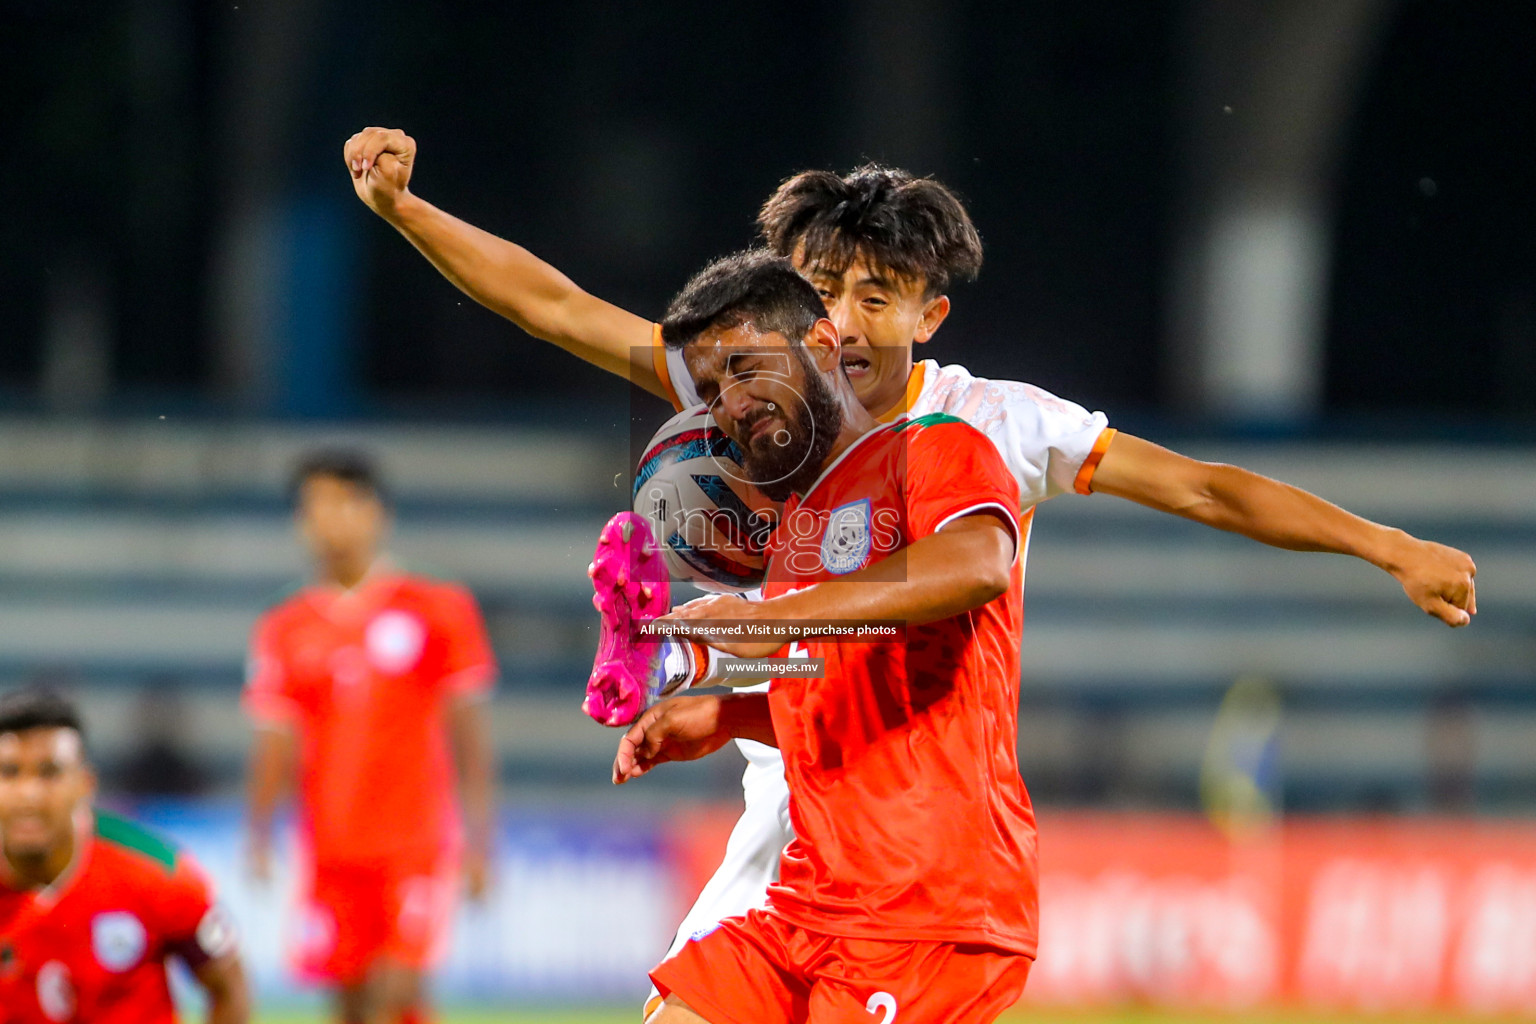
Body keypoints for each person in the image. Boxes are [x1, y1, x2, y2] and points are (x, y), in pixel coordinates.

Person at [339, 128, 1478, 1015]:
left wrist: (1389, 546)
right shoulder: (753, 391)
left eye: (872, 296)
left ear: (929, 313)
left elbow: (1203, 487)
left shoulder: (989, 425)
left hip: (920, 829)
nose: (837, 321)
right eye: (818, 289)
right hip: (792, 813)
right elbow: (555, 308)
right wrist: (401, 208)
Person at [615, 250, 1037, 1022]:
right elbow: (856, 687)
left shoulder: (934, 445)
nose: (730, 405)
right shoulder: (798, 528)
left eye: (745, 369)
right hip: (816, 895)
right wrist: (731, 716)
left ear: (818, 344)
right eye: (710, 390)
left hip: (926, 900)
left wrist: (765, 620)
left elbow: (980, 562)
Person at [243, 451, 497, 1024]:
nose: (327, 521)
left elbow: (469, 735)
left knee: (395, 991)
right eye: (314, 509)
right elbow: (275, 738)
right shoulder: (284, 628)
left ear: (374, 512)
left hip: (414, 844)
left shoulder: (438, 609)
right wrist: (258, 831)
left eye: (340, 504)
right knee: (350, 1006)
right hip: (331, 850)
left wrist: (481, 839)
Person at [0, 689, 248, 1024]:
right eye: (10, 772)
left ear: (84, 785)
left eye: (49, 773)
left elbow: (228, 985)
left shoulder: (156, 871)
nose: (29, 794)